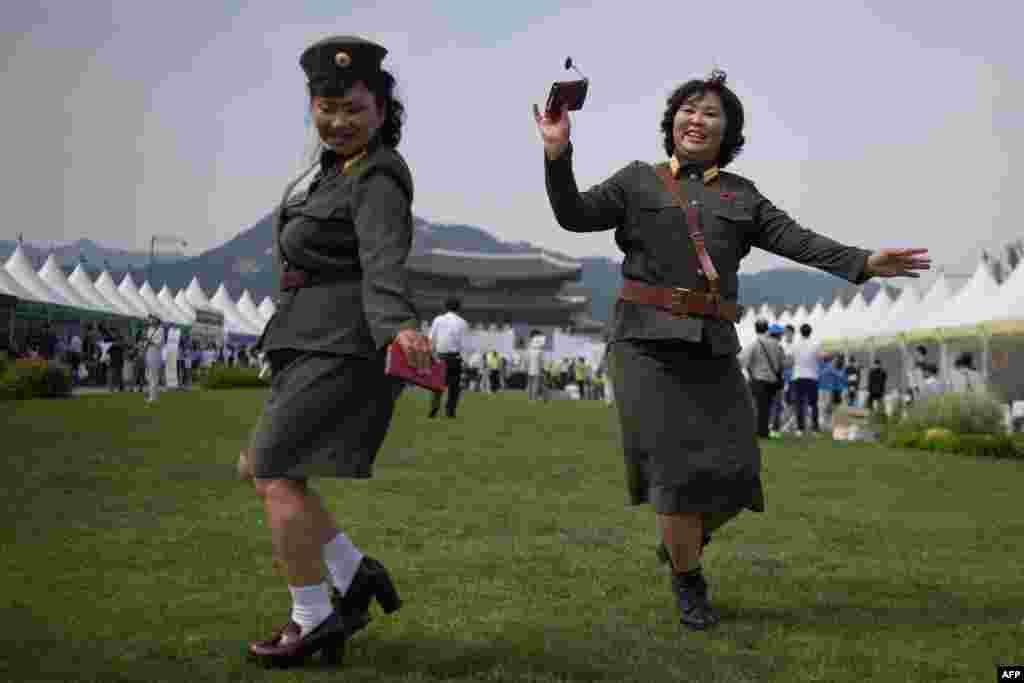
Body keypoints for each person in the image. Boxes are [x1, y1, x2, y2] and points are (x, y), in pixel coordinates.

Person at [534, 68, 929, 629]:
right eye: (688, 109)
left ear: (728, 131)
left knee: (737, 471)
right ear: (671, 121)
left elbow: (798, 239)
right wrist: (557, 152)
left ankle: (681, 540)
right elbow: (573, 215)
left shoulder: (742, 196)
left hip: (714, 346)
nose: (697, 120)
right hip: (643, 343)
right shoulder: (636, 181)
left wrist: (862, 261)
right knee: (674, 472)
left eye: (711, 113)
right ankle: (689, 581)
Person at [243, 36, 433, 667]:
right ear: (311, 104)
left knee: (274, 473)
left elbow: (384, 260)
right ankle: (354, 575)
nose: (339, 120)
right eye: (327, 106)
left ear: (380, 110)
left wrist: (397, 328)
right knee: (264, 467)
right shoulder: (332, 169)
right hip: (307, 337)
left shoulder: (377, 174)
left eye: (354, 108)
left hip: (344, 341)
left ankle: (313, 618)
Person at [742, 320, 786, 439]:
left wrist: (751, 372)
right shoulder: (776, 344)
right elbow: (782, 363)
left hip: (758, 379)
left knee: (758, 406)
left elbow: (743, 361)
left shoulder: (755, 344)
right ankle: (764, 431)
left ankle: (760, 431)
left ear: (756, 329)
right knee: (766, 407)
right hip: (772, 381)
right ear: (767, 329)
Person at [427, 297, 468, 418]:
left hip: (440, 356)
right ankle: (450, 411)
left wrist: (431, 355)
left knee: (437, 385)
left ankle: (434, 409)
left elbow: (431, 339)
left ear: (445, 307)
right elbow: (464, 344)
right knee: (454, 387)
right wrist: (464, 361)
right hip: (455, 358)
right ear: (459, 308)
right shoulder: (463, 322)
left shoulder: (438, 320)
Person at [791, 324, 824, 435]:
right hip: (812, 377)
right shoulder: (816, 344)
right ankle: (815, 428)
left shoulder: (795, 344)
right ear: (810, 332)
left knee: (799, 404)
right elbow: (821, 357)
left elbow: (791, 358)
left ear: (800, 332)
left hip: (798, 376)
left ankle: (800, 429)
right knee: (813, 404)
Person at [525, 330, 547, 401]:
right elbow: (541, 361)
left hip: (530, 370)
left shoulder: (529, 348)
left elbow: (527, 360)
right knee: (535, 385)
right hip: (537, 370)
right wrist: (542, 369)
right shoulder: (540, 350)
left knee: (530, 385)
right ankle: (534, 399)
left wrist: (526, 368)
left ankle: (530, 399)